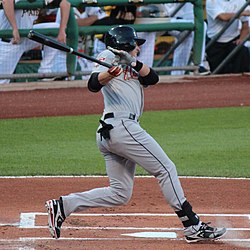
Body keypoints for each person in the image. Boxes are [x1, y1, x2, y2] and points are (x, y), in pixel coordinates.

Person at [45, 25, 227, 243]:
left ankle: (64, 205)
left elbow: (153, 78)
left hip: (114, 131)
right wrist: (108, 74)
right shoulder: (107, 55)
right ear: (126, 44)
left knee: (120, 193)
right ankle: (192, 225)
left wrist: (131, 62)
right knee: (166, 169)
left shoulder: (132, 65)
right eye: (135, 46)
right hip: (121, 127)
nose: (138, 49)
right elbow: (93, 84)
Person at [0, 0, 70, 84]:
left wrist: (62, 30)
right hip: (9, 41)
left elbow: (65, 3)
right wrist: (14, 27)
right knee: (2, 81)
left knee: (54, 28)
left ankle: (46, 72)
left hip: (28, 36)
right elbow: (6, 1)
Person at [164, 3, 210, 75]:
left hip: (189, 21)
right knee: (202, 26)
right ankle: (199, 64)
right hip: (171, 18)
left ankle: (176, 74)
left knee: (184, 43)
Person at [206, 0, 250, 74]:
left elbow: (245, 25)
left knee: (243, 53)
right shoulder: (211, 1)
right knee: (218, 73)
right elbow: (223, 17)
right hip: (215, 42)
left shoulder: (240, 1)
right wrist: (243, 13)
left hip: (233, 40)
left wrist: (241, 39)